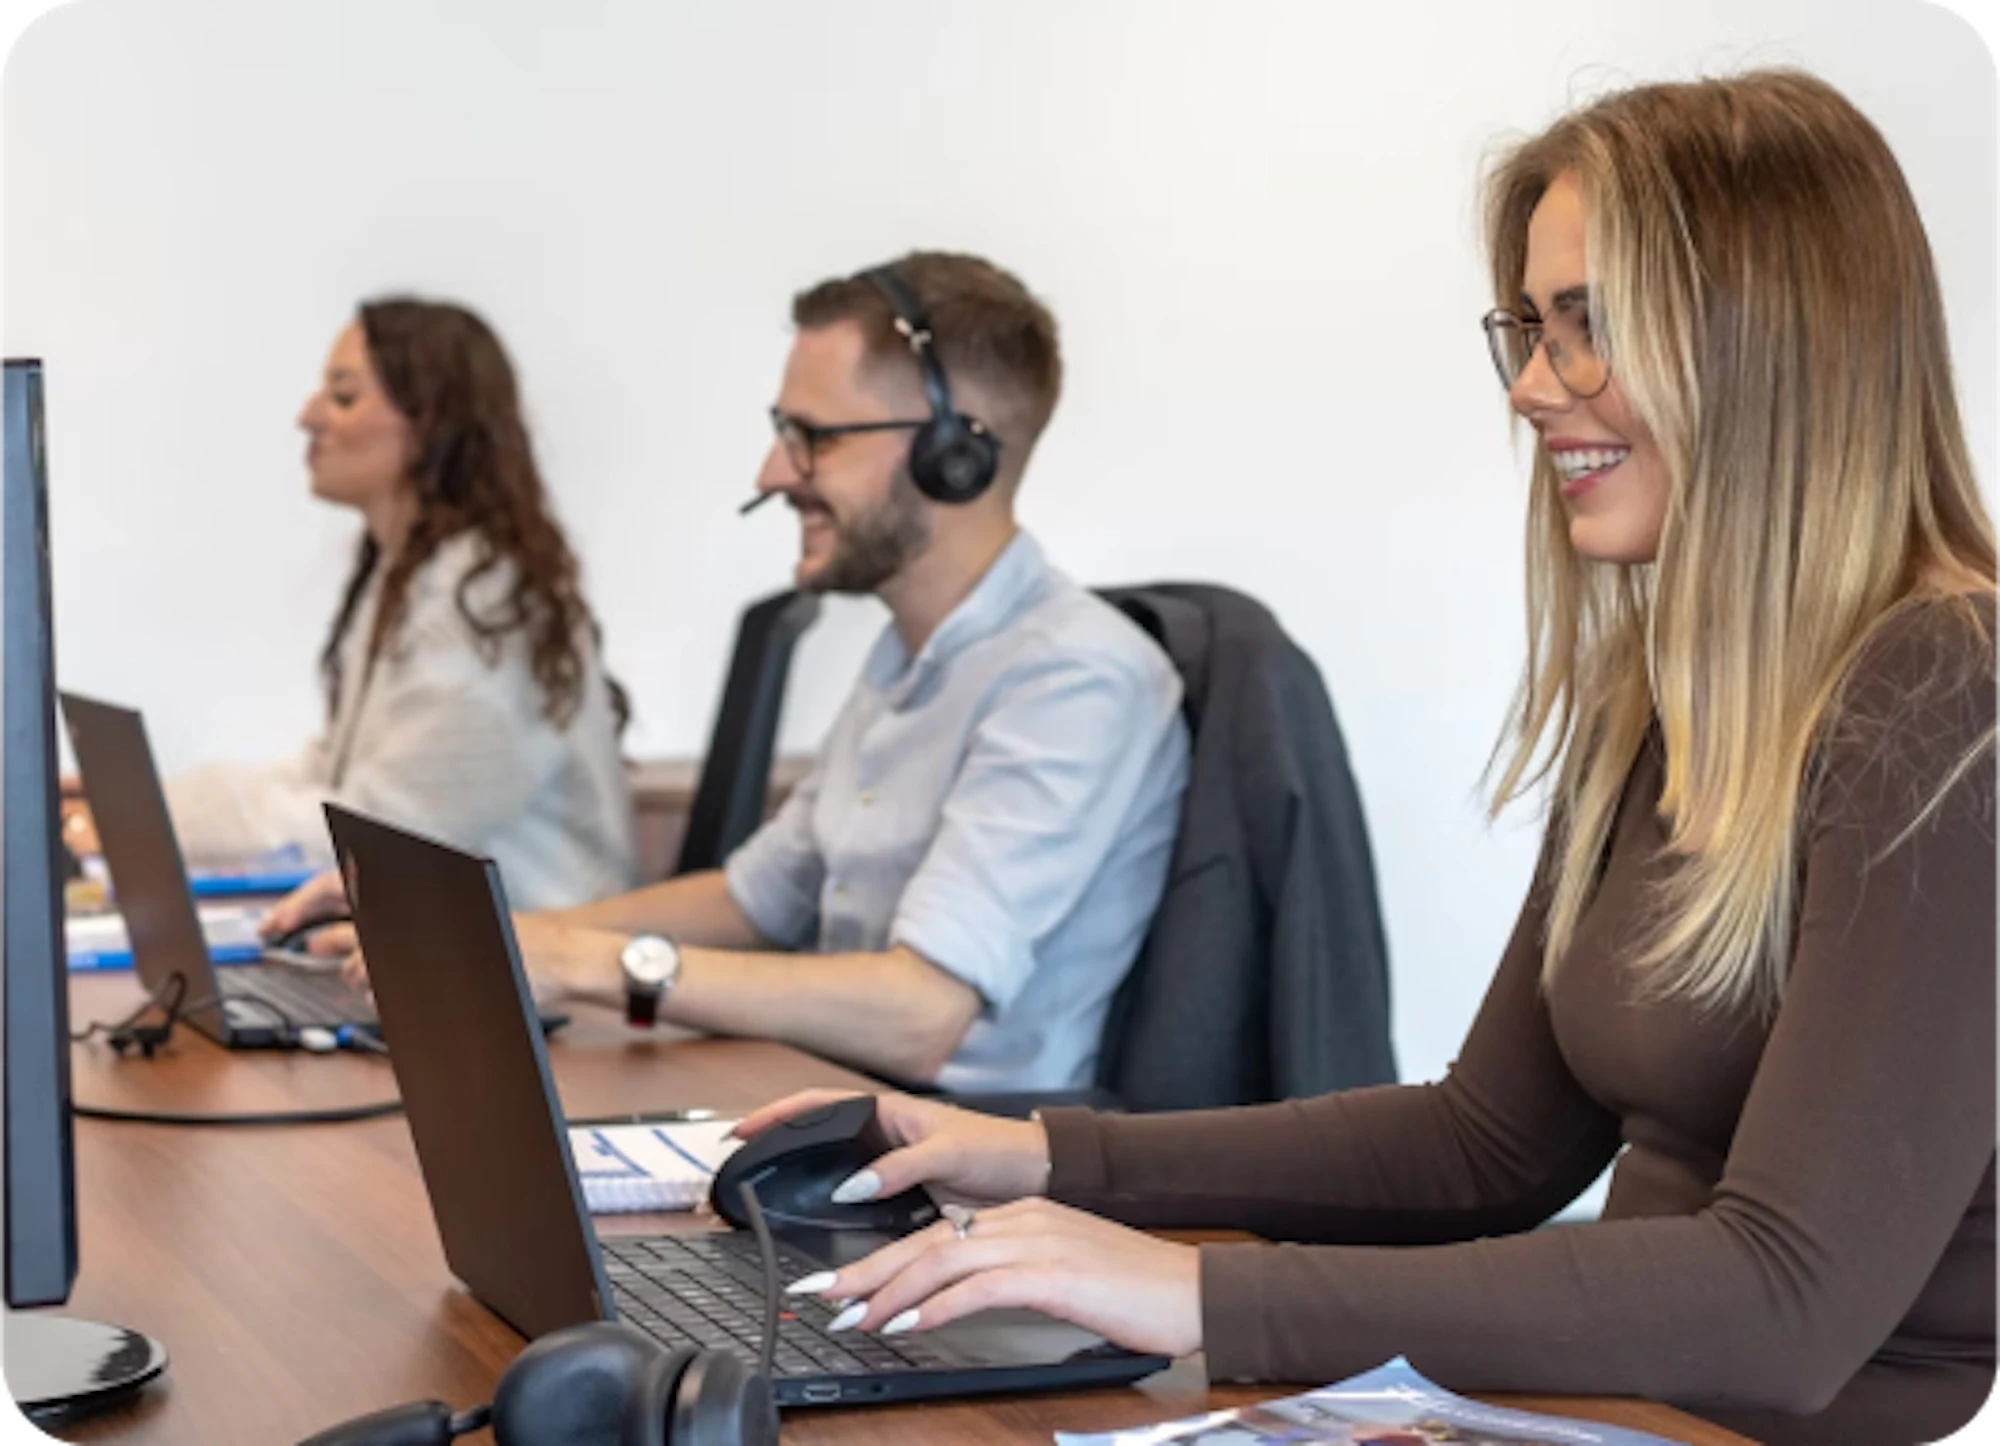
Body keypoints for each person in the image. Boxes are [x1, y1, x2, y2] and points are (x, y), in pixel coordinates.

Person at [735, 72, 2000, 1446]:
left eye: (1586, 327)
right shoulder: (1668, 693)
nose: (1530, 384)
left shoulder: (1950, 691)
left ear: (1770, 342)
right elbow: (1489, 1143)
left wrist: (1207, 1293)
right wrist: (1039, 1154)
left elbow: (1782, 1299)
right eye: (1528, 326)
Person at [302, 252, 1190, 1092]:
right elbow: (752, 899)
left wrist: (582, 965)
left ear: (955, 453)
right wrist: (482, 931)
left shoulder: (1074, 677)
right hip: (822, 1104)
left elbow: (924, 1012)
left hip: (963, 1181)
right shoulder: (906, 658)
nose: (774, 474)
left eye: (813, 438)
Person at [118, 299, 637, 913]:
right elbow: (335, 774)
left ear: (432, 421)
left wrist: (141, 818)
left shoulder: (483, 601)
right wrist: (141, 805)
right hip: (451, 952)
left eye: (343, 398)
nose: (308, 417)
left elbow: (386, 833)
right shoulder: (413, 575)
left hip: (540, 980)